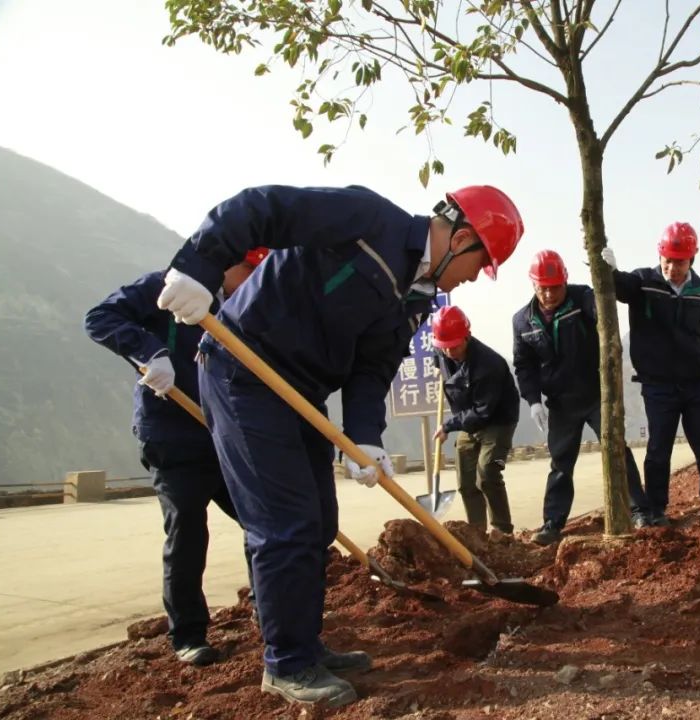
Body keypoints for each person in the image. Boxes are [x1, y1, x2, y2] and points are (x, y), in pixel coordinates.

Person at [154, 184, 523, 707]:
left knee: (320, 523)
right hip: (243, 374)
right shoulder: (368, 220)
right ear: (461, 239)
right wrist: (199, 264)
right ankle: (286, 663)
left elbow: (373, 367)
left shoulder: (418, 297)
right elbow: (262, 208)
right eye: (479, 264)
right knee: (284, 522)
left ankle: (305, 644)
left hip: (301, 393)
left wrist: (366, 438)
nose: (471, 279)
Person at [83, 247, 268, 666]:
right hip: (173, 434)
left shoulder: (246, 304)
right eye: (250, 271)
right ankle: (188, 634)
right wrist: (150, 352)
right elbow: (100, 317)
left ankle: (268, 610)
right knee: (187, 530)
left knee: (261, 521)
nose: (253, 281)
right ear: (231, 263)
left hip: (226, 434)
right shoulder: (171, 286)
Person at [601, 222, 700, 525]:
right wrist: (611, 271)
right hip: (658, 385)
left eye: (680, 262)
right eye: (668, 261)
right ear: (660, 256)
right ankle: (656, 509)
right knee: (658, 449)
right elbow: (621, 288)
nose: (673, 268)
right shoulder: (644, 282)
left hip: (697, 383)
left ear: (692, 259)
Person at [512, 250, 650, 544]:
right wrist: (533, 400)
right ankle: (552, 523)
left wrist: (609, 278)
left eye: (555, 287)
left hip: (597, 395)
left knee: (617, 449)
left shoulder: (582, 299)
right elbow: (524, 365)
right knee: (561, 463)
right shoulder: (522, 321)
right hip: (561, 402)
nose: (549, 294)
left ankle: (640, 510)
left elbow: (605, 316)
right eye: (543, 288)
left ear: (565, 281)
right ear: (533, 285)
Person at [430, 305, 519, 536]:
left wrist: (448, 425)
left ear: (467, 336)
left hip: (496, 419)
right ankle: (476, 532)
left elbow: (482, 411)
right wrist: (439, 367)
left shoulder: (488, 365)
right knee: (466, 481)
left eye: (454, 346)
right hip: (467, 418)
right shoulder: (441, 350)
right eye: (444, 346)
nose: (449, 351)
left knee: (487, 473)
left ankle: (502, 532)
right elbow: (439, 357)